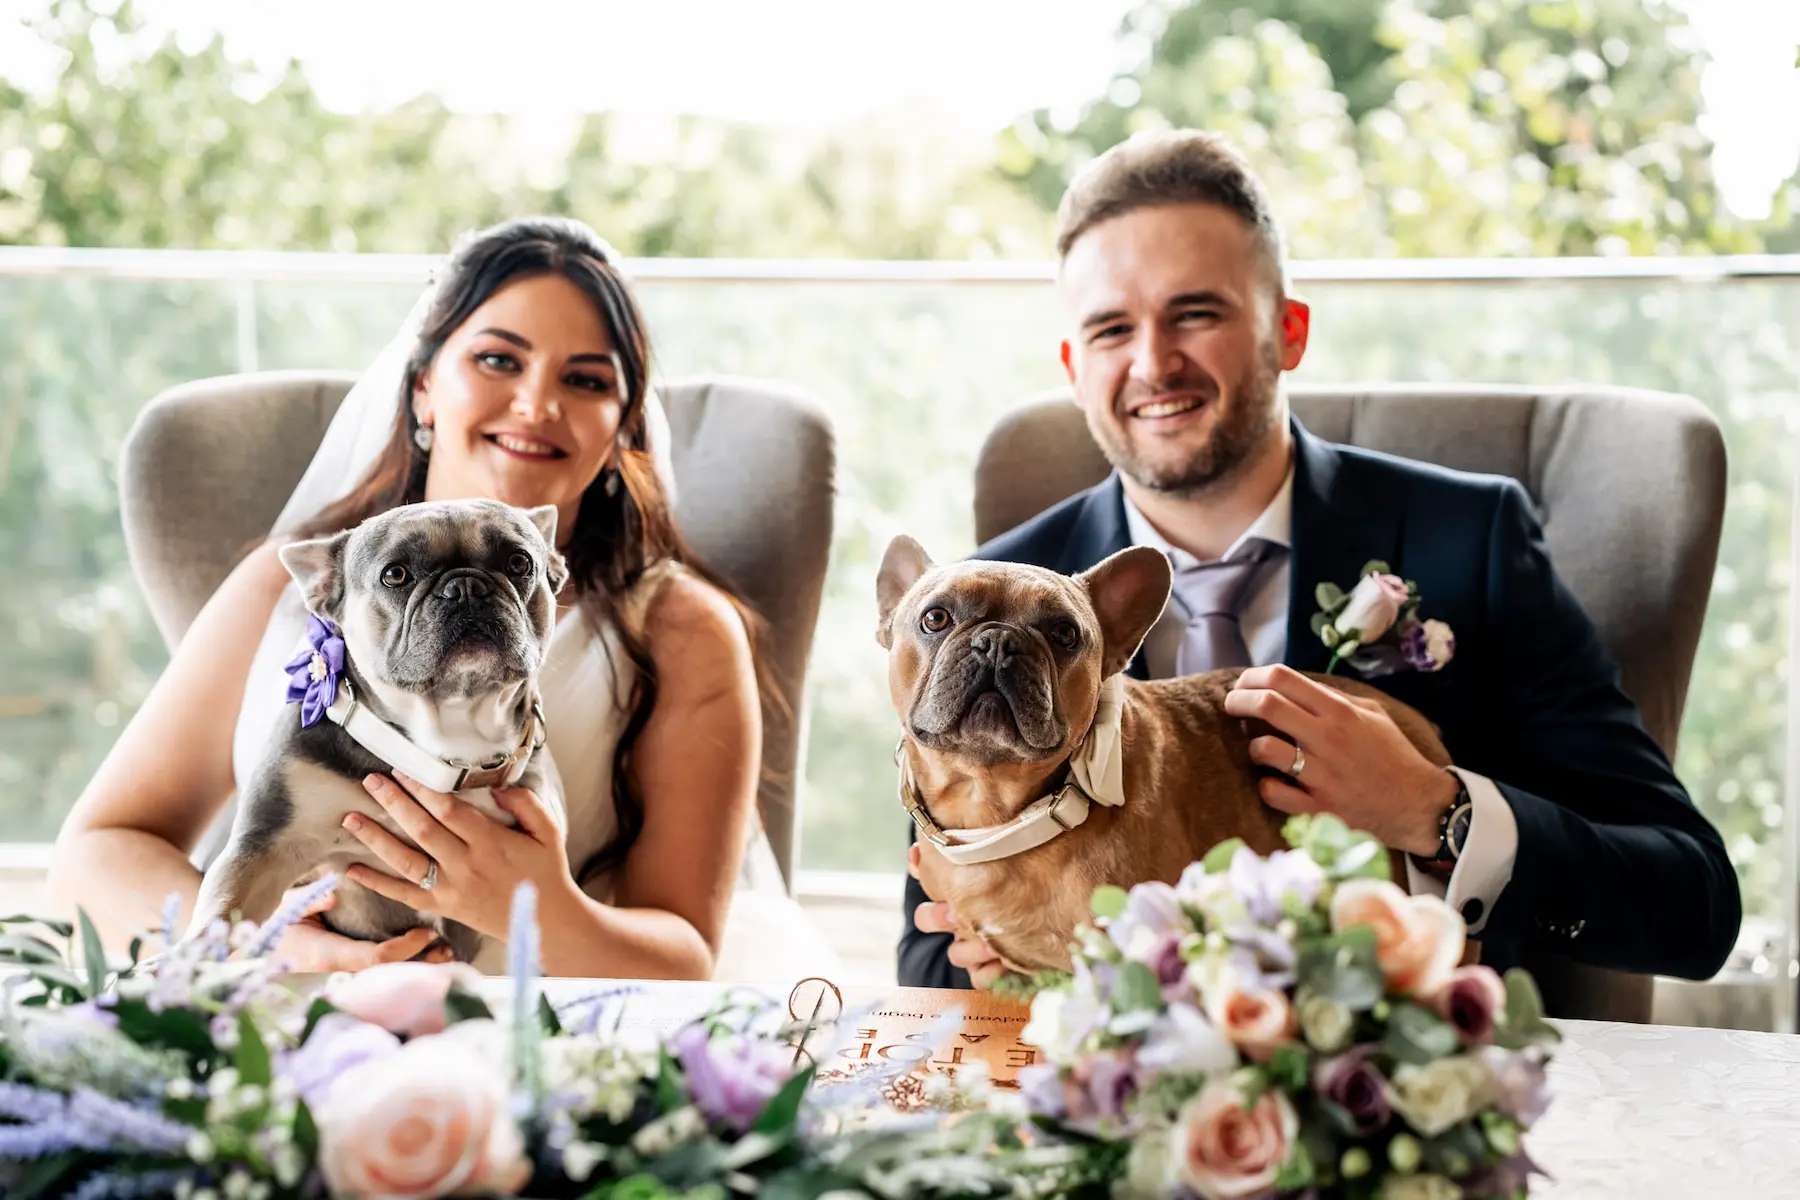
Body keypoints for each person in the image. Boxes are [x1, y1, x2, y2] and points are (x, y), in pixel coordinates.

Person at [899, 130, 1740, 992]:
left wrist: (1434, 810)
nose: (1153, 363)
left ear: (1288, 330)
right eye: (1112, 328)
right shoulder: (991, 599)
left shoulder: (1470, 537)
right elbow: (924, 951)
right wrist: (987, 951)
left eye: (1197, 313)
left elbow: (1694, 902)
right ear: (1075, 368)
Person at [51, 216, 831, 980]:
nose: (536, 403)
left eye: (586, 379)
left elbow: (686, 953)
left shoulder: (680, 628)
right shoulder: (281, 586)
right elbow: (97, 852)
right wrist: (271, 942)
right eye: (499, 359)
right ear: (423, 388)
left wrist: (537, 904)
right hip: (294, 1015)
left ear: (623, 425)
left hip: (555, 1020)